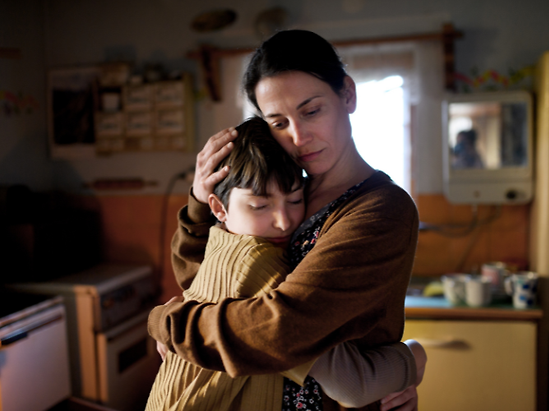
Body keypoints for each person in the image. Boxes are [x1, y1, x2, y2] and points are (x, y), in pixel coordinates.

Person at [148, 29, 422, 411]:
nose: (298, 136)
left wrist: (167, 323)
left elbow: (282, 330)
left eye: (311, 111)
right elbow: (212, 282)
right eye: (278, 123)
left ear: (347, 94)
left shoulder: (380, 209)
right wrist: (199, 204)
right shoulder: (289, 193)